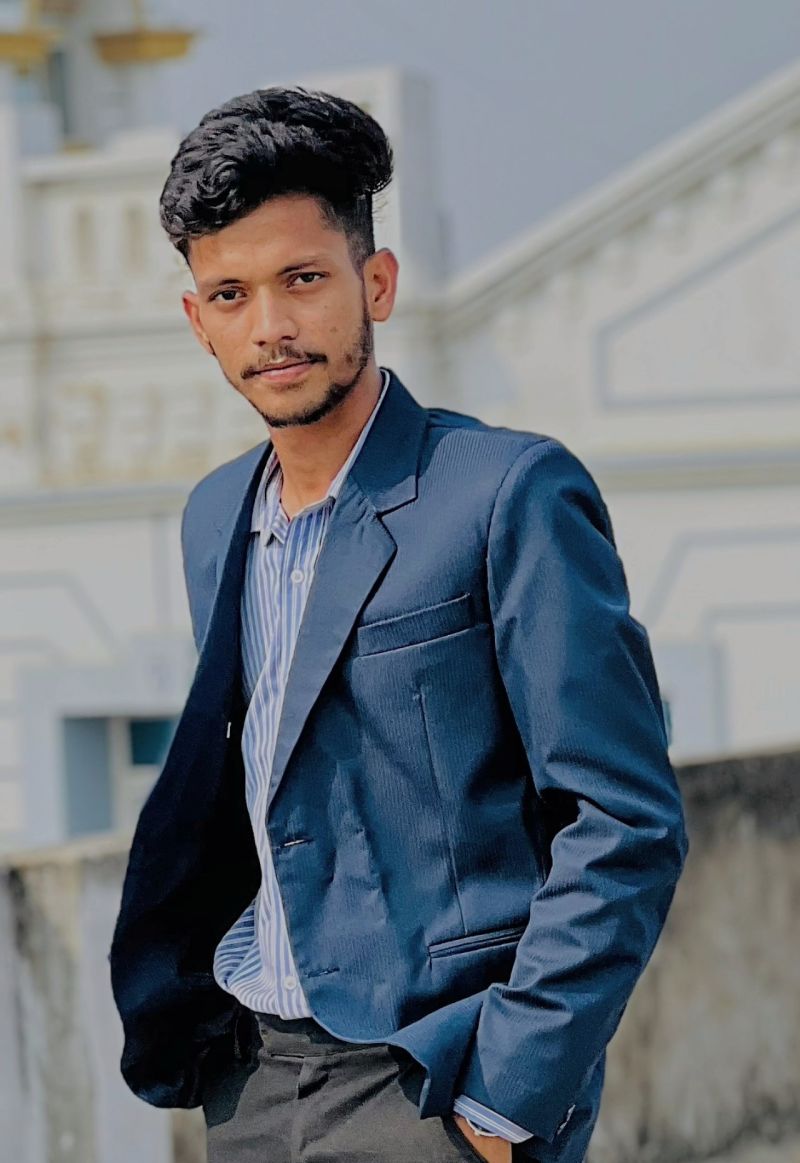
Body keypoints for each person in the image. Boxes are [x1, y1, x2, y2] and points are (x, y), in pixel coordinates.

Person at [109, 87, 689, 1163]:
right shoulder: (213, 517)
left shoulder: (505, 491)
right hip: (250, 1079)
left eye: (303, 279)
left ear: (375, 281)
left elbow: (624, 816)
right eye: (231, 293)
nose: (270, 326)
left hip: (428, 1080)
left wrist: (508, 1093)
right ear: (197, 320)